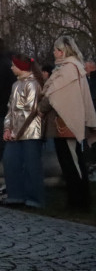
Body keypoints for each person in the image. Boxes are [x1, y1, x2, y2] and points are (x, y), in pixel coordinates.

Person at [40, 36, 96, 211]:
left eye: (56, 50)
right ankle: (78, 199)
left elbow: (53, 95)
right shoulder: (72, 68)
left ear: (63, 51)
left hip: (66, 122)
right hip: (64, 122)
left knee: (72, 162)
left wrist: (40, 108)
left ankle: (78, 201)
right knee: (71, 161)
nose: (54, 53)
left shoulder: (69, 69)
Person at [1, 55, 46, 209]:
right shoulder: (15, 85)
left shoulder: (33, 84)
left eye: (14, 65)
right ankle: (15, 196)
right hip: (15, 132)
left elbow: (30, 110)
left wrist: (16, 132)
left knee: (31, 165)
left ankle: (34, 199)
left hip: (31, 131)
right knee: (10, 161)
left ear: (21, 67)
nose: (11, 68)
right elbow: (10, 109)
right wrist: (7, 128)